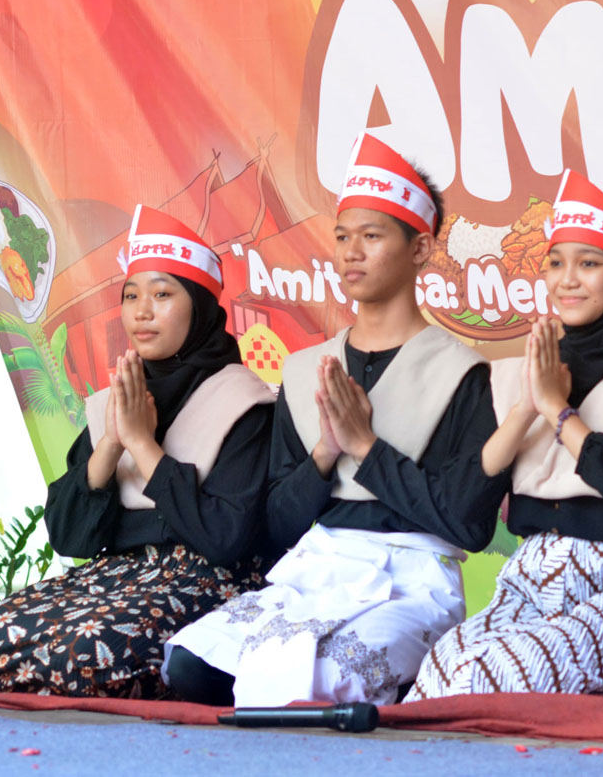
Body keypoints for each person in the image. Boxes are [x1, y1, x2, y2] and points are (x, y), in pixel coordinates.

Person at [163, 132, 508, 706]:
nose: (350, 252)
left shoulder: (464, 374)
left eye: (371, 236)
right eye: (343, 236)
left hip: (413, 580)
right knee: (193, 666)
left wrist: (368, 448)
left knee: (324, 683)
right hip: (314, 572)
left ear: (420, 249)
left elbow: (468, 526)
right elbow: (278, 524)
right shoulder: (304, 372)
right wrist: (325, 452)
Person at [407, 169, 603, 700]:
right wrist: (525, 409)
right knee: (441, 674)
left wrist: (559, 411)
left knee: (494, 680)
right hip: (529, 580)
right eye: (556, 263)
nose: (567, 280)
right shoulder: (529, 369)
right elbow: (465, 504)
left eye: (590, 264)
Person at [0, 205, 275, 698]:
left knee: (81, 654)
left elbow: (226, 540)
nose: (142, 311)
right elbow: (70, 538)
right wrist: (112, 441)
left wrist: (143, 444)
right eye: (131, 296)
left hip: (209, 581)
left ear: (202, 307)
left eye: (163, 294)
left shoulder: (247, 402)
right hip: (115, 577)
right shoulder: (117, 397)